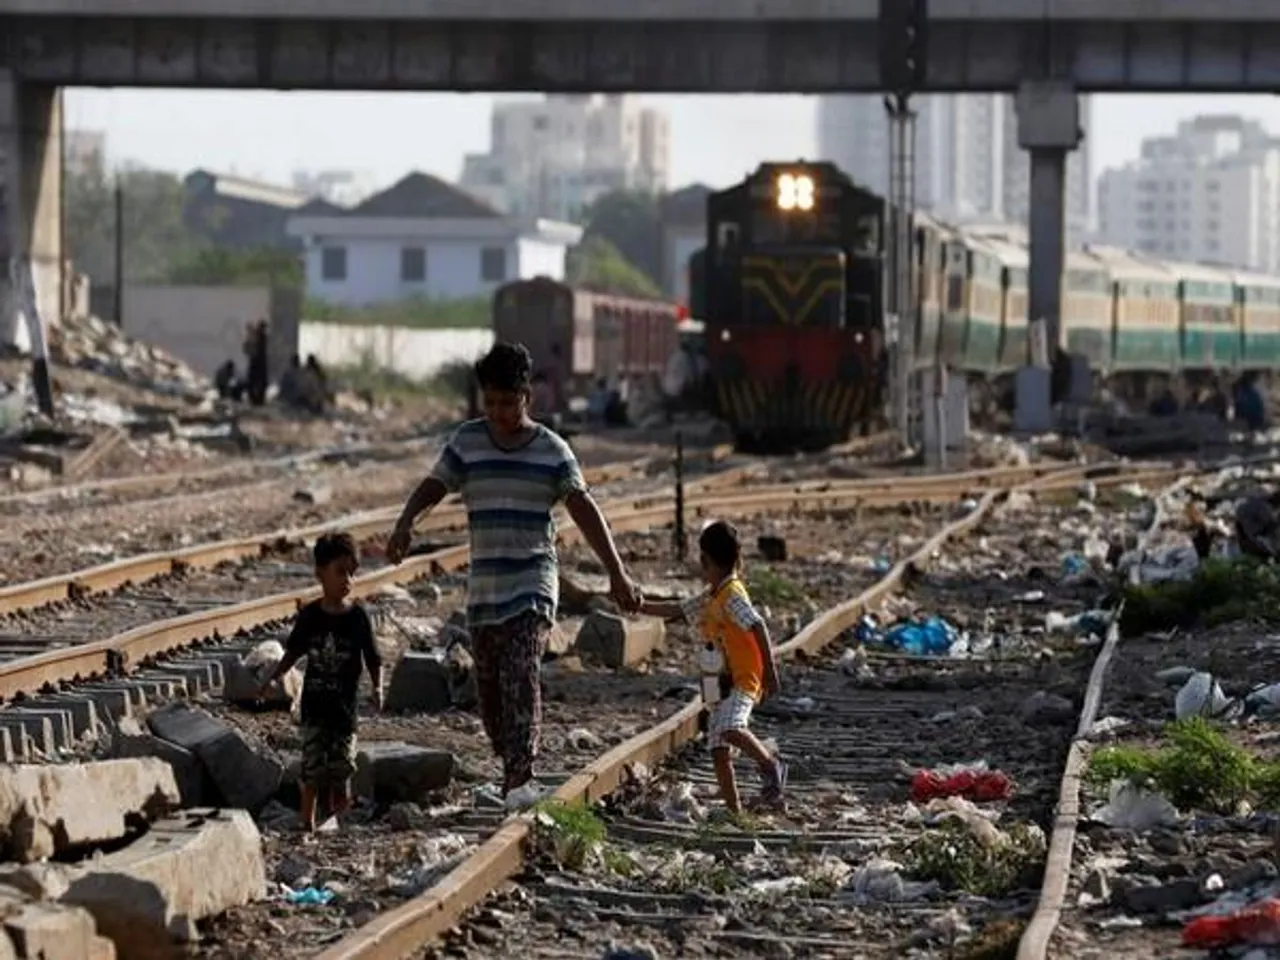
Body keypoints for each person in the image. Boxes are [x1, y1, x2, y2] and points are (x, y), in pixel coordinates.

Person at [385, 342, 642, 809]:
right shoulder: (468, 441)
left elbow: (583, 508)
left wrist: (616, 574)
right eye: (491, 403)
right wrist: (406, 523)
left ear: (528, 397)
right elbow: (435, 484)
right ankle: (510, 767)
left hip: (532, 583)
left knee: (521, 672)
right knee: (490, 695)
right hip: (485, 591)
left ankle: (520, 777)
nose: (499, 413)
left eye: (508, 402)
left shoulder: (551, 450)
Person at [637, 520, 786, 816]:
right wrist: (637, 604)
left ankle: (771, 765)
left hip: (743, 679)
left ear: (705, 559)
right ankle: (735, 812)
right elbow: (676, 610)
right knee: (718, 750)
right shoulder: (713, 595)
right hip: (718, 685)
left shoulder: (731, 595)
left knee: (731, 728)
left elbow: (757, 624)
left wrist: (769, 670)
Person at [257, 532, 383, 832]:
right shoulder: (311, 616)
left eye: (352, 573)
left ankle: (339, 810)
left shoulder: (358, 618)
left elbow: (373, 657)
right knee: (312, 766)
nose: (347, 580)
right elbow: (293, 653)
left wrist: (378, 688)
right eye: (340, 572)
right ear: (320, 574)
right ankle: (307, 821)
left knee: (343, 765)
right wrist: (271, 678)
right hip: (315, 706)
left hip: (344, 709)